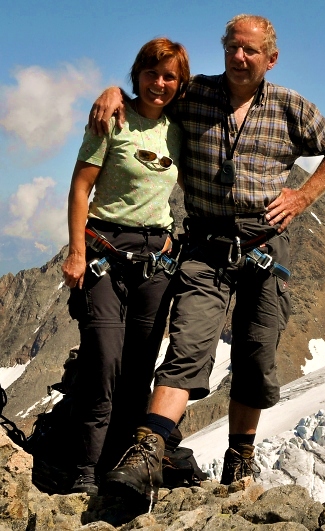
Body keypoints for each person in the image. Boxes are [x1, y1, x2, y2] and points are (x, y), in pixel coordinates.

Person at [89, 14, 325, 500]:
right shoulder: (197, 95)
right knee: (188, 344)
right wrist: (114, 93)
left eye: (251, 51)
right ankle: (147, 453)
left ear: (270, 59)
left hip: (264, 247)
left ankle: (240, 458)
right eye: (232, 47)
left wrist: (302, 197)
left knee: (255, 356)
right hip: (205, 245)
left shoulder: (289, 106)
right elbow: (153, 92)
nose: (239, 57)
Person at [63, 38, 190, 495]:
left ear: (180, 83)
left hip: (156, 259)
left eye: (170, 76)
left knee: (139, 369)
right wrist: (76, 252)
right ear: (137, 73)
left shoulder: (179, 125)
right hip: (104, 250)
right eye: (152, 73)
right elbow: (80, 188)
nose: (160, 83)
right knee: (103, 360)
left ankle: (121, 469)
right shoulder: (111, 119)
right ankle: (85, 467)